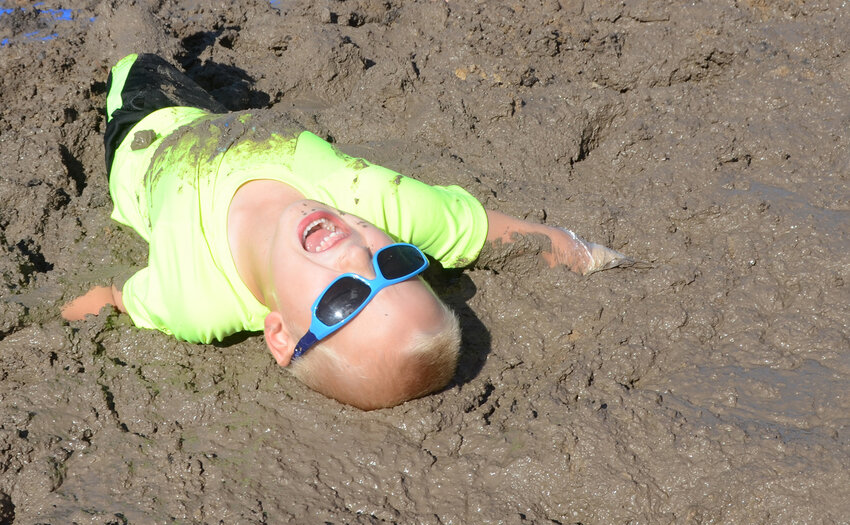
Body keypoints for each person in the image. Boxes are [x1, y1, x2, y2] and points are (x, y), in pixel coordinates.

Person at [62, 54, 642, 410]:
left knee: (135, 61)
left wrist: (79, 311)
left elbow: (121, 299)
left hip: (152, 138)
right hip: (236, 128)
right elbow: (481, 229)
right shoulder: (382, 206)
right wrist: (577, 251)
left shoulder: (197, 299)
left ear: (281, 336)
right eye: (393, 268)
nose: (355, 253)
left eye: (344, 300)